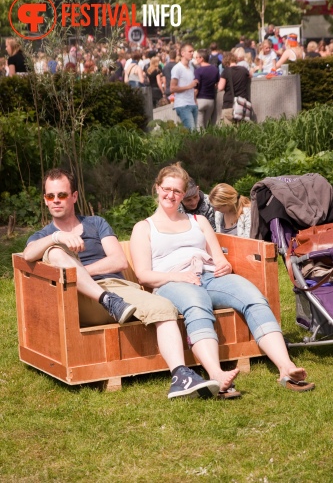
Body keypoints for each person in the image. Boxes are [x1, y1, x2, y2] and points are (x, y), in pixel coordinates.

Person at [23, 168, 220, 400]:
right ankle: (106, 300)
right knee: (55, 253)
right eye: (50, 196)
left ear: (74, 197)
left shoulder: (96, 223)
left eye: (62, 195)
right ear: (45, 200)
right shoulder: (44, 236)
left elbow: (118, 260)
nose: (56, 200)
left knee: (164, 307)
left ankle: (180, 376)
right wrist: (57, 240)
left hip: (118, 289)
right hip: (78, 298)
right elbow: (27, 255)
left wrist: (82, 271)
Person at [130, 163, 315, 394]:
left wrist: (224, 265)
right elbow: (144, 275)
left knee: (253, 296)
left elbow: (218, 258)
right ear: (157, 188)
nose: (171, 195)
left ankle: (286, 367)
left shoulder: (198, 221)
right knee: (197, 304)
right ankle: (217, 375)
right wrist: (179, 276)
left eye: (177, 191)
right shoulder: (144, 228)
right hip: (171, 282)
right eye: (167, 189)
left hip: (208, 275)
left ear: (184, 193)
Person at [170, 43, 199, 130]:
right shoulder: (177, 68)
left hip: (192, 103)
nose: (192, 53)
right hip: (183, 105)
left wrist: (195, 100)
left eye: (193, 51)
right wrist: (189, 86)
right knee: (192, 132)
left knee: (193, 133)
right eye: (190, 51)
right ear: (182, 53)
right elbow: (172, 88)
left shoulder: (191, 67)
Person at [218, 52, 250, 126]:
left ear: (225, 61)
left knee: (229, 133)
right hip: (242, 105)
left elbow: (220, 87)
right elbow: (250, 75)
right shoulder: (244, 70)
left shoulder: (226, 71)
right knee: (241, 132)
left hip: (229, 104)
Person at [194, 49, 220, 129]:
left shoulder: (198, 71)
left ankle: (201, 141)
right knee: (208, 125)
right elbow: (217, 83)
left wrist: (194, 99)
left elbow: (196, 87)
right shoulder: (215, 69)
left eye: (197, 57)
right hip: (211, 100)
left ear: (202, 58)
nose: (196, 59)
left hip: (200, 99)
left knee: (200, 127)